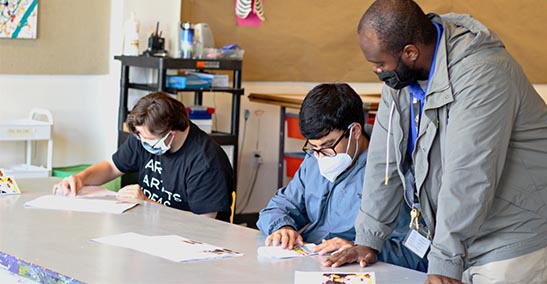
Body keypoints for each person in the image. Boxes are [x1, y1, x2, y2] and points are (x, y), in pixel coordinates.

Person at [323, 0, 547, 284]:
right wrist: (368, 239)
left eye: (380, 63)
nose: (376, 70)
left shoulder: (482, 73)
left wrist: (445, 262)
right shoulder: (401, 78)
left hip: (529, 221)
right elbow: (384, 159)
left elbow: (469, 174)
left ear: (410, 53)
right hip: (479, 221)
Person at [257, 83, 428, 272]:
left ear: (354, 131)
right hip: (312, 266)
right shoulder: (314, 161)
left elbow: (420, 250)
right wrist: (283, 228)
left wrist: (362, 248)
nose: (320, 156)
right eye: (314, 148)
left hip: (364, 271)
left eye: (327, 146)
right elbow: (277, 206)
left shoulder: (392, 170)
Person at [53, 92, 234, 222]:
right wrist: (80, 179)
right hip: (150, 230)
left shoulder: (206, 161)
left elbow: (205, 223)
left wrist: (148, 204)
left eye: (148, 139)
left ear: (171, 133)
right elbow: (111, 167)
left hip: (195, 244)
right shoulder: (144, 138)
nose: (143, 143)